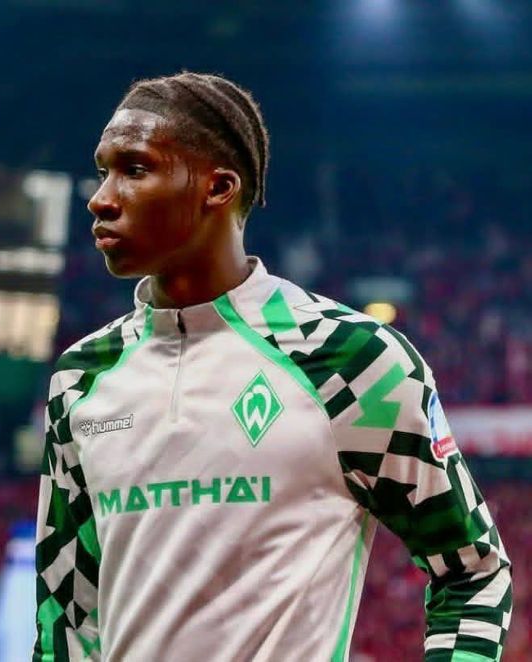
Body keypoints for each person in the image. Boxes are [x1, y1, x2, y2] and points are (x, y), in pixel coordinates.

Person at [33, 72, 512, 661]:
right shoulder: (81, 378)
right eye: (104, 171)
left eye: (134, 169)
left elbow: (472, 573)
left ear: (218, 187)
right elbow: (65, 617)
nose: (101, 198)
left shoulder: (349, 360)